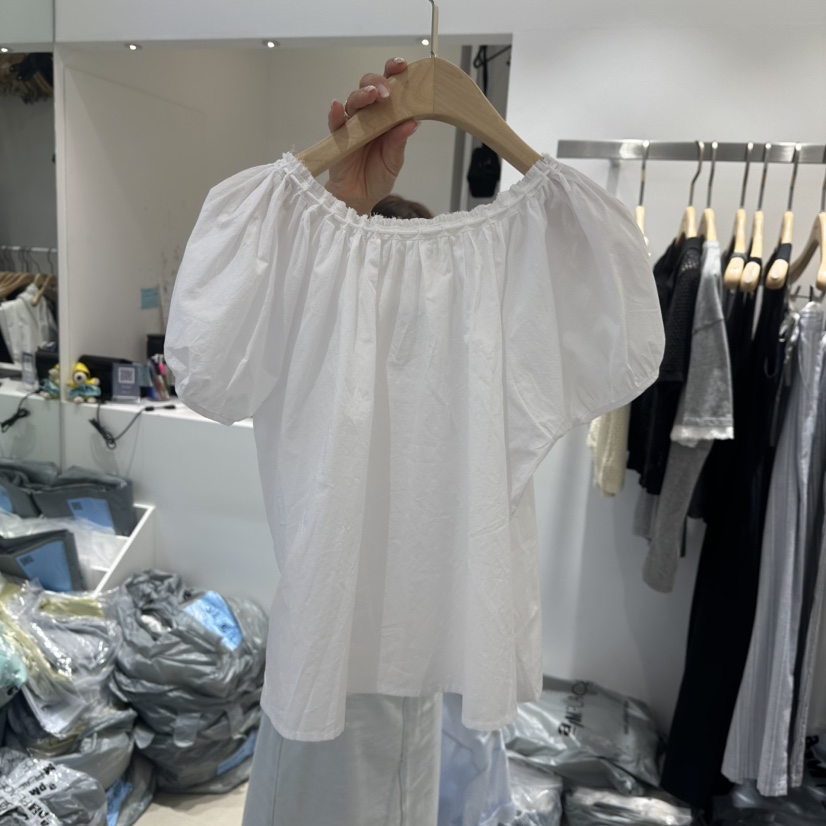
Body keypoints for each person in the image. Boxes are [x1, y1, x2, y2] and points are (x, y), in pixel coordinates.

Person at [242, 57, 445, 826]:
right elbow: (226, 348)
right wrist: (341, 200)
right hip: (323, 666)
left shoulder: (444, 381)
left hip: (394, 676)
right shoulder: (312, 344)